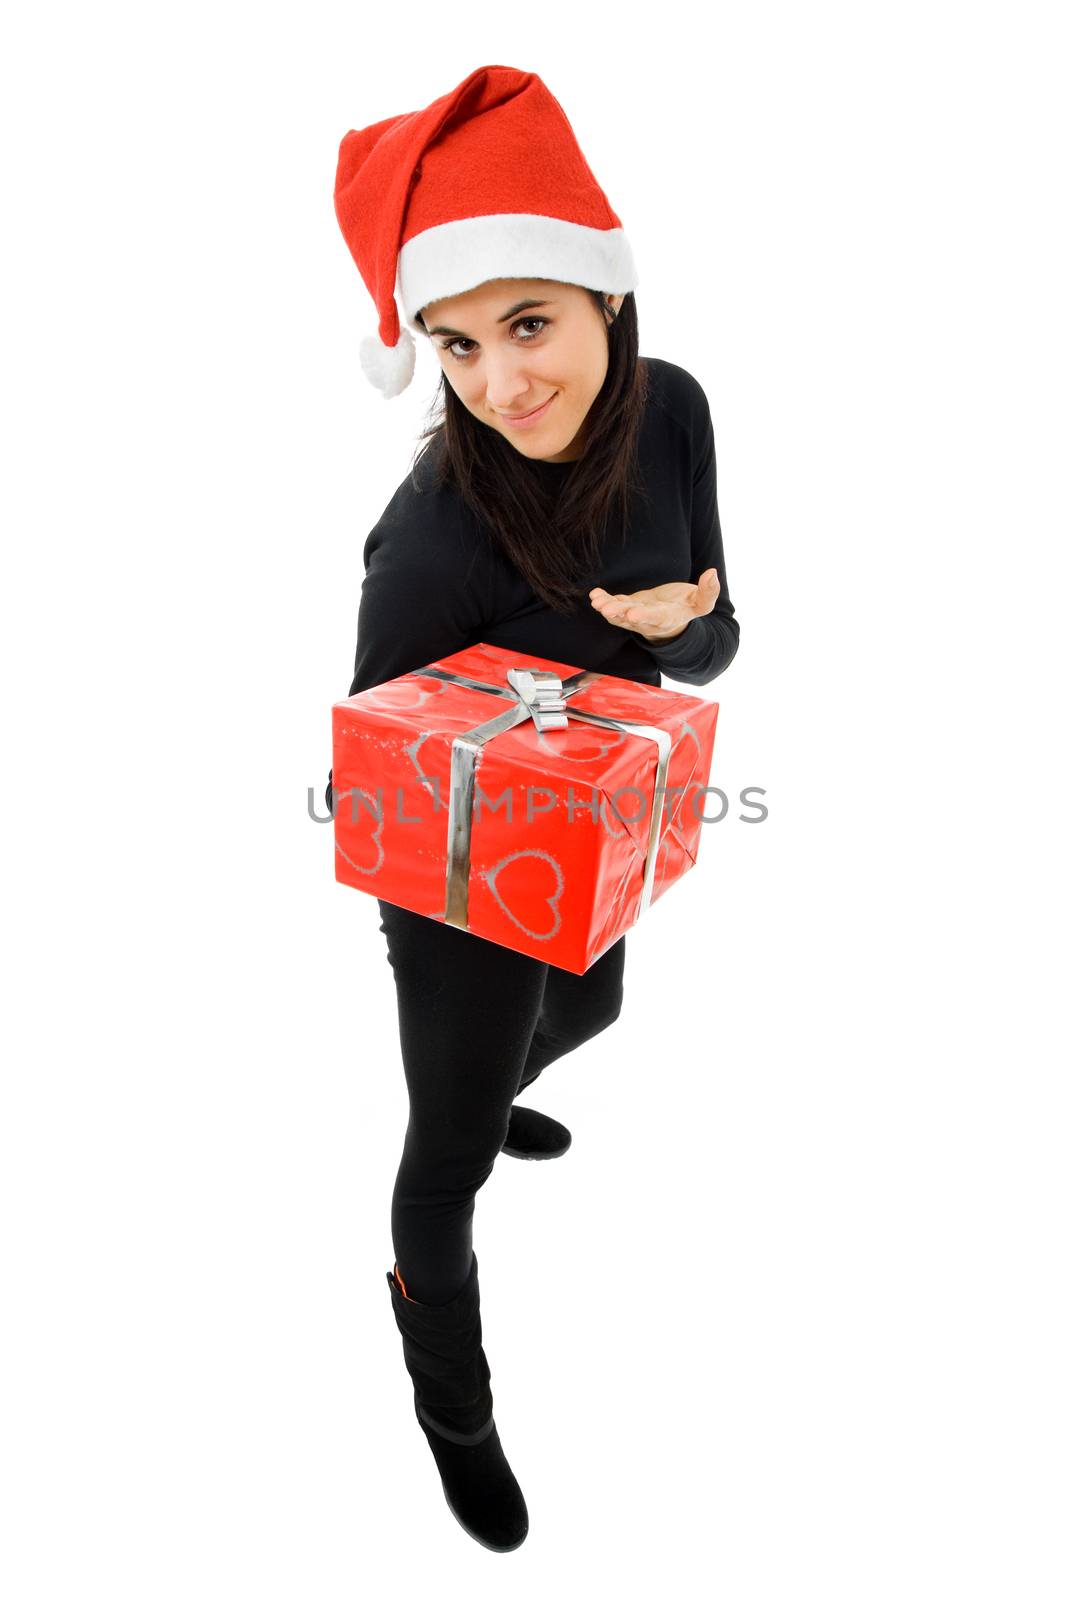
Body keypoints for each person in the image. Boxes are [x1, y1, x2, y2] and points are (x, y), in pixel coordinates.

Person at [328, 64, 740, 1552]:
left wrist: (688, 625)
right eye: (456, 343)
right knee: (440, 1172)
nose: (502, 382)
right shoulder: (431, 539)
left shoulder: (677, 415)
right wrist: (466, 845)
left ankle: (499, 1090)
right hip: (450, 884)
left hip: (595, 831)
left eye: (529, 323)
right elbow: (378, 775)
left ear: (604, 304)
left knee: (599, 1011)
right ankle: (455, 1414)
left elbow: (717, 631)